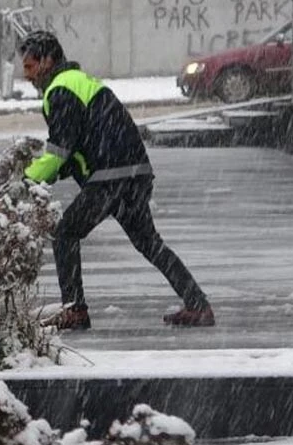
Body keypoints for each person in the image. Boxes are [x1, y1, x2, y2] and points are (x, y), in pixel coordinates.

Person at [18, 30, 213, 331]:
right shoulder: (78, 81)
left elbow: (59, 151)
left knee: (65, 234)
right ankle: (197, 304)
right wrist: (54, 170)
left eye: (30, 66)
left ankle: (74, 309)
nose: (26, 74)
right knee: (149, 242)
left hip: (110, 177)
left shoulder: (60, 89)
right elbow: (77, 147)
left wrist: (24, 180)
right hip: (134, 172)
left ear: (47, 60)